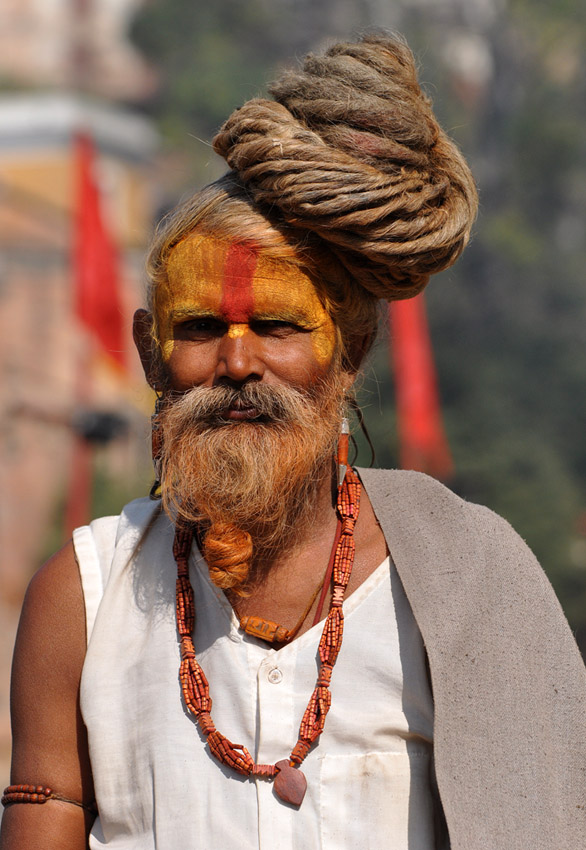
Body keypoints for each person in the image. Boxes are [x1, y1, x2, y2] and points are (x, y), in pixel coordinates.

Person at [1, 33, 585, 850]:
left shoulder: (469, 583)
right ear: (149, 354)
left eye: (276, 326)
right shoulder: (83, 601)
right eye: (201, 329)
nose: (236, 362)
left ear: (350, 353)